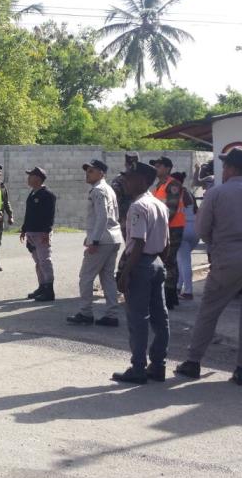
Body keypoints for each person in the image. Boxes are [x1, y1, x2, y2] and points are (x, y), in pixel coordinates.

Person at [174, 146, 242, 386]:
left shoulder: (216, 193)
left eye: (225, 166)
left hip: (227, 260)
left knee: (209, 311)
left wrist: (216, 245)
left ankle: (193, 362)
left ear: (231, 168)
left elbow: (202, 230)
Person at [112, 161, 170, 384]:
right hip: (156, 262)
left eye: (130, 177)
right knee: (160, 318)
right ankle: (158, 365)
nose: (125, 181)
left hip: (140, 264)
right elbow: (165, 244)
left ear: (144, 181)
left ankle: (138, 368)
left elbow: (137, 242)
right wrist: (159, 263)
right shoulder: (159, 205)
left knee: (138, 318)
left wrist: (126, 273)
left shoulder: (138, 207)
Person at [68, 159, 124, 327]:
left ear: (101, 173)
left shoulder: (98, 190)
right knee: (107, 278)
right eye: (87, 170)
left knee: (86, 276)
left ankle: (85, 313)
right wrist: (91, 236)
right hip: (113, 237)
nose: (87, 173)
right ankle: (112, 314)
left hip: (103, 240)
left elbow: (102, 216)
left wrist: (95, 240)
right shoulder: (108, 189)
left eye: (91, 171)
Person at [149, 156, 187, 310]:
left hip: (173, 227)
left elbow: (170, 210)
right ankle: (168, 294)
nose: (155, 168)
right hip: (164, 227)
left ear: (167, 168)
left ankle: (170, 296)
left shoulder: (173, 184)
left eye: (158, 166)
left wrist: (158, 225)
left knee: (169, 260)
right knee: (166, 260)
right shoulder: (160, 185)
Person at [19, 167, 56, 302]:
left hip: (42, 233)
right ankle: (41, 286)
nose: (28, 178)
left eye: (31, 176)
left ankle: (49, 290)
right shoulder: (32, 193)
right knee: (38, 262)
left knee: (45, 261)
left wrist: (47, 231)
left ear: (38, 179)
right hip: (31, 232)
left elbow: (50, 215)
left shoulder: (48, 195)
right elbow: (28, 214)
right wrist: (24, 229)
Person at [171, 171, 199, 300]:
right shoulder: (189, 193)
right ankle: (179, 286)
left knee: (183, 261)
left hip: (182, 228)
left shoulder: (175, 193)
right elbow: (196, 211)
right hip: (194, 228)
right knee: (182, 261)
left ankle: (188, 291)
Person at [111, 152, 139, 239]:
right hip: (138, 216)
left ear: (125, 164)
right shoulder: (143, 178)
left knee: (130, 244)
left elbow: (114, 200)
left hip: (126, 217)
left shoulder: (119, 179)